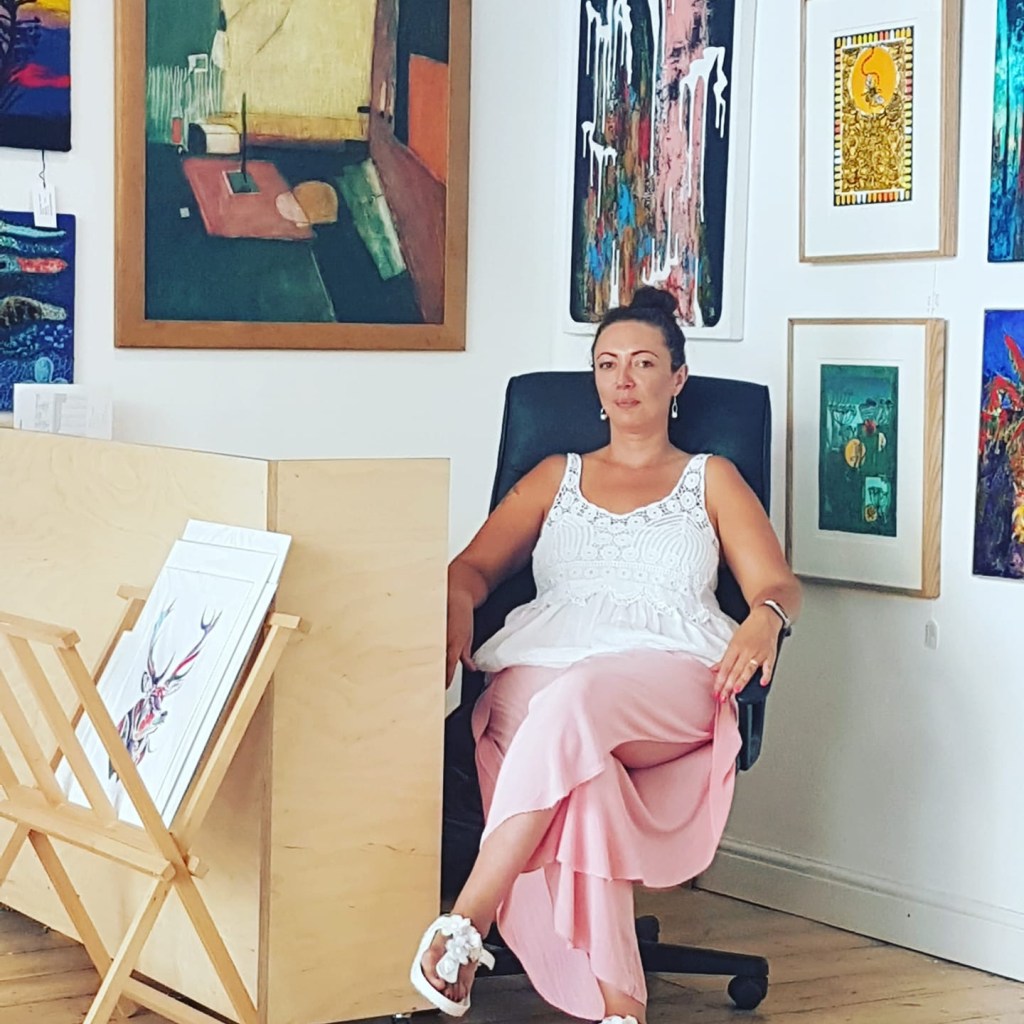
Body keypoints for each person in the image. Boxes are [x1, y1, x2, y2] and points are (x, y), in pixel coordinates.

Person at [410, 287, 802, 1024]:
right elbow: (473, 567)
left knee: (576, 697)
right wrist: (457, 601)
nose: (623, 379)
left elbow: (774, 584)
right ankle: (623, 1009)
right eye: (607, 363)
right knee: (580, 771)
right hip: (544, 671)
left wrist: (767, 618)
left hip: (668, 675)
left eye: (644, 363)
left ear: (678, 378)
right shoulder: (555, 475)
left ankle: (467, 920)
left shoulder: (711, 477)